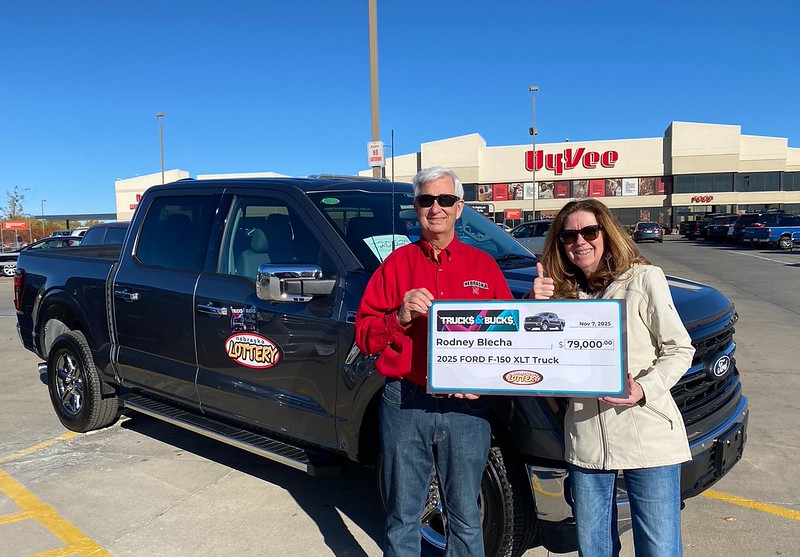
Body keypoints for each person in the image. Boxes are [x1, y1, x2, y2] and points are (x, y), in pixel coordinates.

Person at [355, 166, 512, 557]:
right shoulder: (395, 266)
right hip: (406, 402)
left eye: (445, 200)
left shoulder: (484, 267)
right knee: (403, 516)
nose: (436, 208)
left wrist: (487, 379)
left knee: (465, 518)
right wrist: (399, 316)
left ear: (460, 208)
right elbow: (365, 335)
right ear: (417, 208)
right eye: (427, 200)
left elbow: (508, 336)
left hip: (467, 408)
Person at [529, 198, 694, 557]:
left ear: (608, 233)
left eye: (589, 231)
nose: (580, 242)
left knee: (659, 547)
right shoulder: (560, 297)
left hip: (647, 437)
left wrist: (644, 389)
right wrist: (535, 306)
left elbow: (680, 349)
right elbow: (540, 363)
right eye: (569, 236)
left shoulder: (643, 279)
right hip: (586, 441)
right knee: (594, 548)